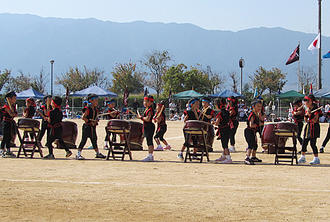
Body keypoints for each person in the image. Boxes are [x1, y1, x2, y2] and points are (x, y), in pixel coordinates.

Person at [76, 94, 106, 160]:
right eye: (95, 100)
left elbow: (95, 117)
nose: (97, 102)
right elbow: (83, 117)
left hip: (93, 127)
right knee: (84, 140)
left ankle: (97, 153)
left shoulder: (95, 109)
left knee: (94, 140)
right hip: (87, 127)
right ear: (91, 101)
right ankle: (78, 154)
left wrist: (96, 120)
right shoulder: (88, 108)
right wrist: (90, 120)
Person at [298, 95, 321, 165]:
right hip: (308, 126)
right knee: (304, 142)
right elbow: (305, 120)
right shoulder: (307, 109)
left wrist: (310, 115)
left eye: (306, 101)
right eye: (305, 101)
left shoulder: (316, 109)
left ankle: (316, 158)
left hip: (314, 127)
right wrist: (307, 114)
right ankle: (302, 157)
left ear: (311, 101)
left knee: (312, 143)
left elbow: (315, 120)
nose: (305, 102)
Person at [244, 100, 263, 165]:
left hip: (253, 132)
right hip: (249, 131)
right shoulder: (252, 114)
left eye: (260, 106)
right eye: (258, 106)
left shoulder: (256, 114)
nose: (259, 108)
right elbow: (251, 125)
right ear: (253, 106)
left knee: (255, 145)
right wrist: (258, 124)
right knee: (251, 145)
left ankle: (253, 157)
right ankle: (247, 157)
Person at [214, 98, 232, 164]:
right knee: (226, 143)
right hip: (228, 129)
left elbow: (217, 123)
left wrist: (214, 122)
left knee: (224, 145)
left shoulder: (220, 113)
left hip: (223, 130)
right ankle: (224, 156)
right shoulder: (227, 112)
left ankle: (228, 157)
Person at [138, 95, 156, 162]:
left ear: (150, 102)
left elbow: (148, 119)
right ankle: (150, 155)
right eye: (144, 101)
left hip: (149, 126)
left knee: (149, 141)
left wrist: (141, 118)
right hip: (147, 126)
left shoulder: (150, 109)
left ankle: (150, 156)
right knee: (148, 140)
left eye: (146, 101)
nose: (144, 103)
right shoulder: (147, 108)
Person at [0, 91, 18, 158]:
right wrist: (12, 112)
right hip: (5, 123)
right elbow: (11, 114)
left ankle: (8, 150)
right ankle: (1, 150)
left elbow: (14, 114)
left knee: (9, 137)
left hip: (10, 123)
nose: (15, 99)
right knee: (5, 137)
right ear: (9, 99)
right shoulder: (6, 106)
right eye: (14, 98)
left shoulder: (13, 106)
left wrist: (13, 112)